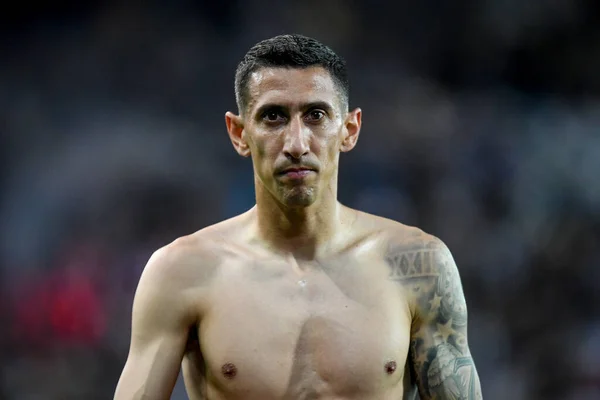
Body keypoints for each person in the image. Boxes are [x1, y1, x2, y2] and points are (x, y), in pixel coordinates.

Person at [114, 34, 483, 400]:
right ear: (239, 133)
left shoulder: (418, 265)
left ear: (349, 129)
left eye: (316, 115)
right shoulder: (182, 271)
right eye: (273, 117)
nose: (296, 143)